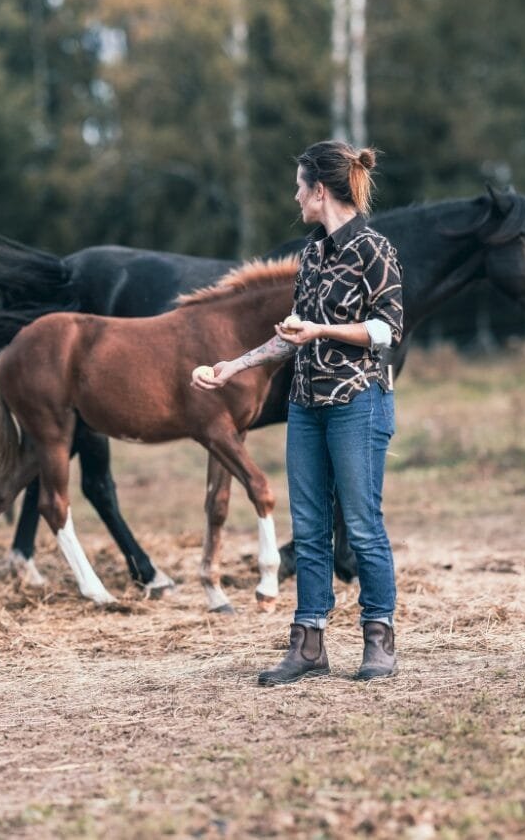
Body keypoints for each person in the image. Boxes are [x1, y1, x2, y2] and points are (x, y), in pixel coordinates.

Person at [191, 140, 403, 685]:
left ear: (321, 190)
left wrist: (324, 331)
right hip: (307, 406)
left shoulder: (374, 248)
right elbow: (291, 338)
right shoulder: (311, 254)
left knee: (360, 525)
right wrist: (230, 368)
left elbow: (387, 330)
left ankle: (379, 640)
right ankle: (308, 644)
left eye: (300, 186)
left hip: (359, 401)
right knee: (307, 529)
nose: (296, 196)